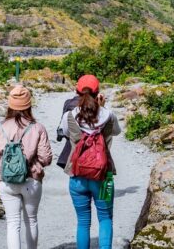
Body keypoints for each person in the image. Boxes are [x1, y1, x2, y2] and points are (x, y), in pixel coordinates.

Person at [59, 74, 122, 249]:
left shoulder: (70, 116)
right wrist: (102, 107)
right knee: (105, 217)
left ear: (77, 92)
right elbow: (116, 132)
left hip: (77, 174)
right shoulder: (108, 115)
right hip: (103, 175)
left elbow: (65, 133)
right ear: (98, 94)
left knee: (83, 221)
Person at [0, 85, 53, 249]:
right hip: (31, 180)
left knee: (12, 223)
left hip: (7, 181)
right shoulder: (38, 127)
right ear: (29, 105)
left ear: (10, 105)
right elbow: (46, 158)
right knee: (31, 220)